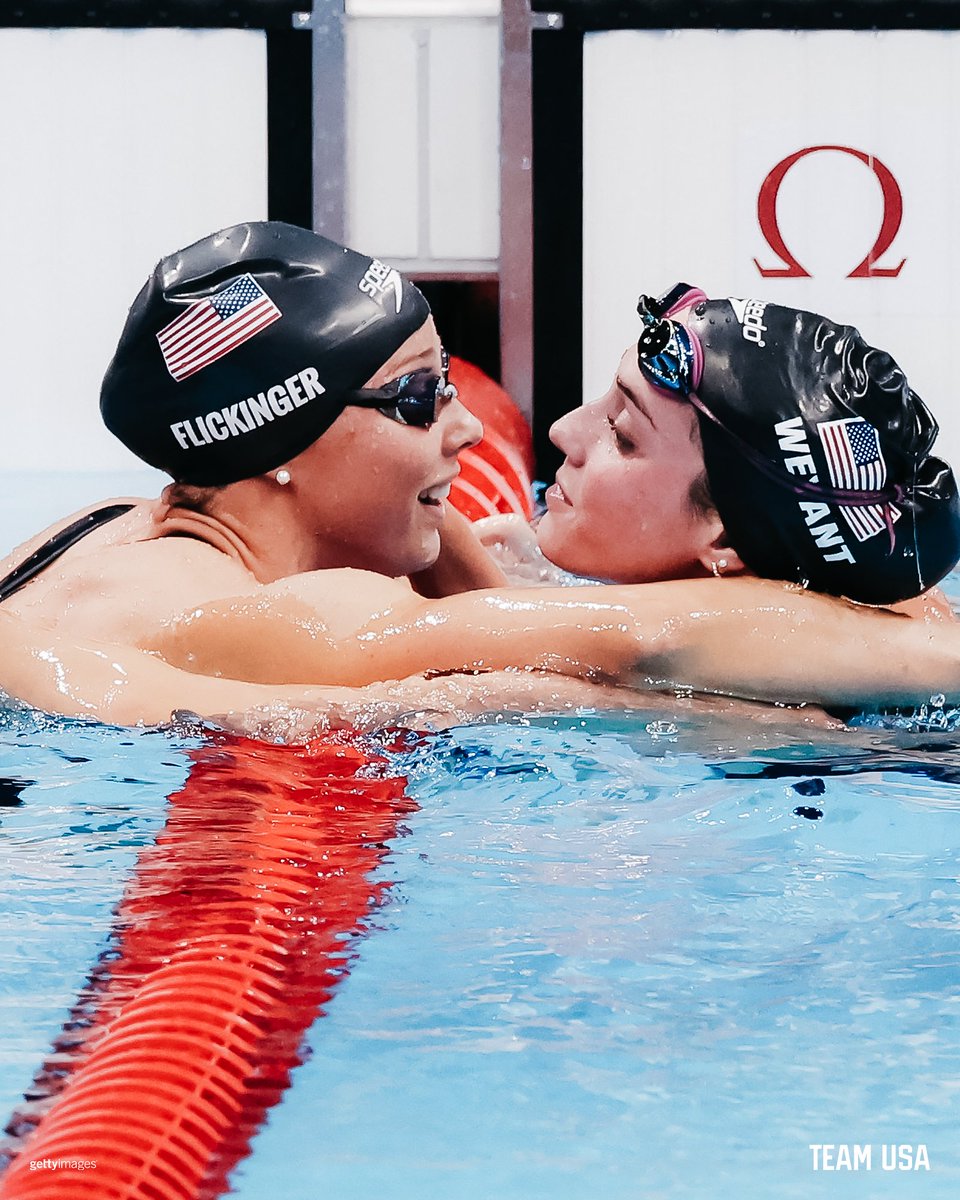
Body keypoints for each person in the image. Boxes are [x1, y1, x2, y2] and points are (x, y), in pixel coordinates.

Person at [1, 222, 959, 728]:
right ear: (281, 446)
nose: (473, 429)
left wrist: (447, 541)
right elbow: (630, 645)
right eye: (419, 398)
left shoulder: (102, 526)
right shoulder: (284, 620)